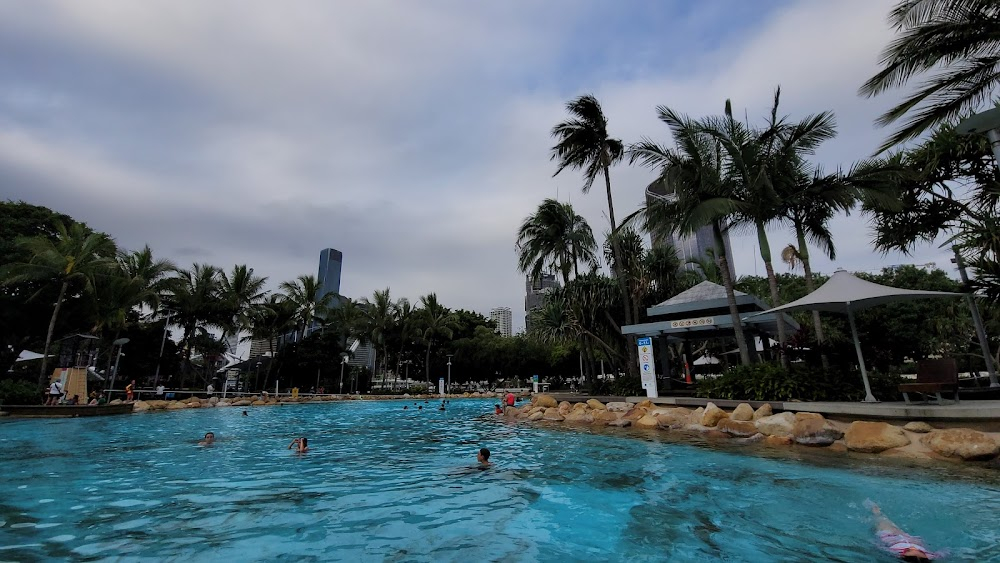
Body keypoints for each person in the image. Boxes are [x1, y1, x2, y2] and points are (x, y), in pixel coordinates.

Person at [867, 501, 941, 561]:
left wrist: (873, 542)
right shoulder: (932, 556)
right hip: (908, 538)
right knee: (895, 527)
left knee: (881, 522)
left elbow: (877, 546)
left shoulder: (893, 552)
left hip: (889, 537)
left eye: (908, 550)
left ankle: (876, 512)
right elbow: (945, 552)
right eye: (920, 551)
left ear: (901, 556)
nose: (913, 548)